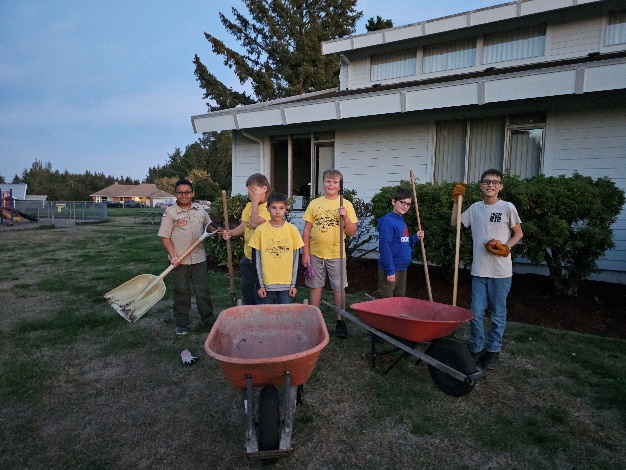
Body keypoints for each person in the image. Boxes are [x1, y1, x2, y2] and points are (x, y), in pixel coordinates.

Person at [451, 169, 523, 369]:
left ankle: (493, 350)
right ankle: (476, 347)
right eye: (486, 182)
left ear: (500, 186)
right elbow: (455, 223)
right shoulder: (474, 208)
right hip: (479, 270)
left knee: (498, 313)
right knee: (475, 311)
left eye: (494, 182)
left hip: (501, 272)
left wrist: (506, 247)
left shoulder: (507, 207)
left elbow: (518, 233)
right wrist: (457, 200)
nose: (490, 185)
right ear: (481, 185)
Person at [158, 178, 220, 335]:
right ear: (175, 194)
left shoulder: (200, 210)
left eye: (187, 192)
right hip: (179, 261)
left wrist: (221, 231)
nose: (184, 195)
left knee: (203, 291)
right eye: (180, 192)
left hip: (199, 258)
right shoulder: (170, 213)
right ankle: (182, 323)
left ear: (193, 193)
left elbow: (210, 226)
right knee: (181, 292)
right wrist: (173, 257)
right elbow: (165, 237)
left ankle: (208, 318)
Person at [302, 169, 358, 338]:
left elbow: (352, 231)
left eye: (335, 182)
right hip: (316, 253)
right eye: (328, 181)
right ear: (323, 183)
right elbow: (306, 231)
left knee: (339, 288)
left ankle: (340, 321)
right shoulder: (315, 204)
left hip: (336, 254)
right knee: (315, 286)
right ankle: (314, 320)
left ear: (339, 185)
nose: (331, 185)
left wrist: (346, 217)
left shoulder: (345, 204)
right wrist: (306, 254)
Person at [221, 173, 271, 305]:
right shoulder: (249, 206)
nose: (250, 193)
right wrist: (231, 233)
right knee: (247, 289)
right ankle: (249, 313)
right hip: (247, 255)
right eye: (248, 190)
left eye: (253, 189)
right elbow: (244, 226)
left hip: (261, 258)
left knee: (259, 290)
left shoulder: (269, 208)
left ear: (264, 188)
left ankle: (262, 316)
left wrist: (254, 203)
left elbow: (254, 224)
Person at [248, 192, 304, 304]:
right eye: (274, 208)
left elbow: (296, 260)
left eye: (281, 208)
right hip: (267, 285)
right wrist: (260, 285)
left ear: (285, 209)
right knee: (267, 317)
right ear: (268, 209)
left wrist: (294, 284)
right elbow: (256, 261)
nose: (277, 211)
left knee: (285, 316)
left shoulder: (292, 230)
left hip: (286, 286)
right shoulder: (260, 231)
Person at [377, 188, 425, 298]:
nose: (405, 206)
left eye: (408, 204)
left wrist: (416, 237)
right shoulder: (388, 221)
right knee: (386, 300)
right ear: (394, 202)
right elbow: (385, 246)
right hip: (391, 268)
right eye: (402, 202)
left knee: (400, 299)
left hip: (402, 267)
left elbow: (404, 243)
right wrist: (390, 270)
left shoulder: (400, 221)